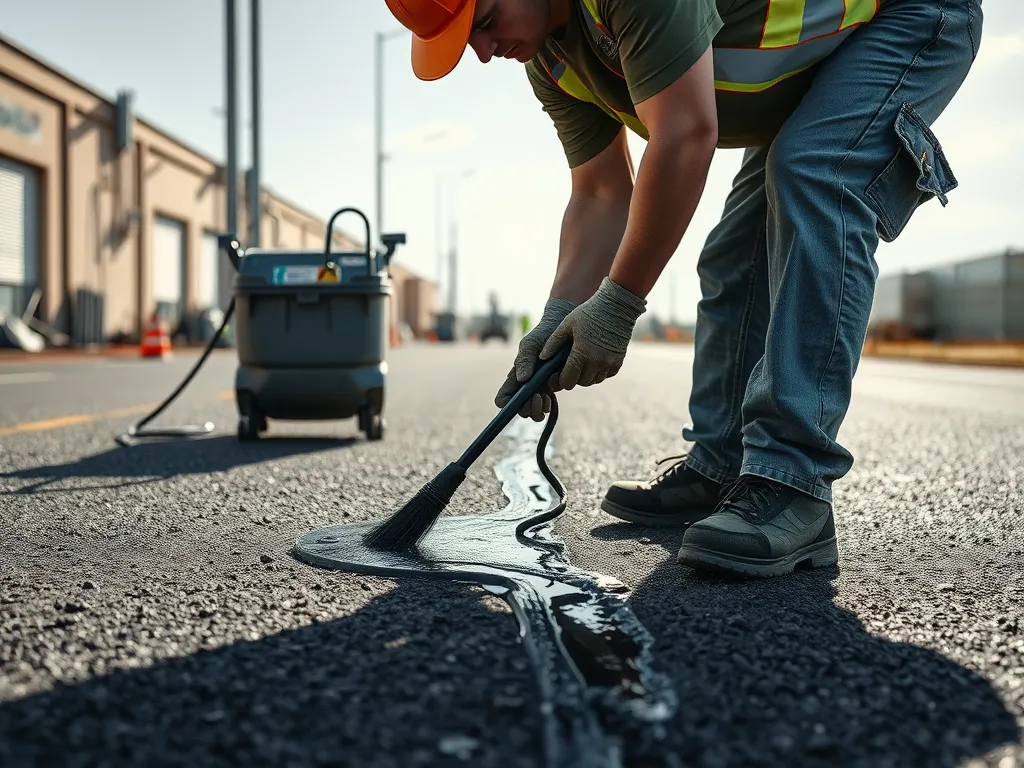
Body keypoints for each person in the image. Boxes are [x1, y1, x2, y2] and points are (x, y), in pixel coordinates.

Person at [382, 0, 982, 577]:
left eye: (485, 22)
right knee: (734, 253)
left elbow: (685, 133)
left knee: (815, 171)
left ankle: (792, 482)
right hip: (826, 61)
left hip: (912, 12)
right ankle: (722, 467)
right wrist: (559, 314)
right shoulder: (550, 60)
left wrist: (616, 305)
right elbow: (600, 192)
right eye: (467, 43)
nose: (484, 52)